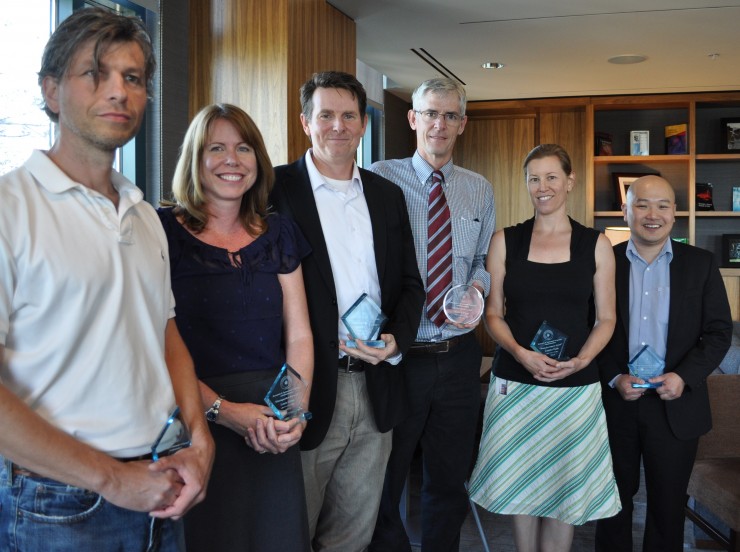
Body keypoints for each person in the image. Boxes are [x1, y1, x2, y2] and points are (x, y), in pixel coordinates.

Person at [0, 8, 213, 551]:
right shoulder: (10, 208)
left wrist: (201, 438)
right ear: (51, 91)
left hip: (161, 482)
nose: (119, 91)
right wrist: (112, 479)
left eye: (134, 78)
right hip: (58, 503)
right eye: (96, 74)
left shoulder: (145, 216)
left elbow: (164, 333)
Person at [270, 71, 425, 552]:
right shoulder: (274, 190)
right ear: (305, 122)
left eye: (349, 116)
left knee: (352, 536)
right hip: (309, 387)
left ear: (362, 125)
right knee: (291, 529)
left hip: (376, 385)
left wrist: (397, 339)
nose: (338, 125)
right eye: (326, 115)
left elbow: (409, 284)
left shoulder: (386, 195)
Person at [158, 103, 314, 551]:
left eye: (244, 147)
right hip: (192, 418)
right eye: (217, 148)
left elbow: (299, 334)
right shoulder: (161, 230)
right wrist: (224, 412)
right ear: (195, 159)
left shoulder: (278, 232)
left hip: (271, 423)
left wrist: (294, 412)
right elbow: (152, 341)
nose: (232, 160)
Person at [468, 144, 621, 552]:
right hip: (516, 383)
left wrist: (582, 360)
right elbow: (493, 314)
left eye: (551, 177)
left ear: (569, 181)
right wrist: (520, 352)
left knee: (565, 488)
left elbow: (606, 318)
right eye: (534, 178)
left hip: (576, 388)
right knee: (520, 485)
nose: (542, 187)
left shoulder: (596, 244)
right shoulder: (505, 240)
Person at [369, 77, 496, 552]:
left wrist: (478, 292)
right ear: (412, 119)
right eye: (429, 113)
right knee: (386, 478)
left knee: (448, 481)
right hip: (400, 357)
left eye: (449, 115)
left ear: (462, 123)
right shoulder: (379, 178)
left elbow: (482, 261)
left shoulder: (478, 190)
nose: (438, 124)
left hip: (459, 356)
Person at [594, 175, 733, 552]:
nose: (652, 214)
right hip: (617, 405)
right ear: (625, 210)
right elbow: (591, 330)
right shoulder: (605, 262)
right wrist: (614, 376)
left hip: (676, 404)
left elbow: (719, 332)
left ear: (675, 213)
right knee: (610, 507)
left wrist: (684, 377)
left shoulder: (701, 264)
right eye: (641, 204)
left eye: (662, 205)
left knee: (668, 511)